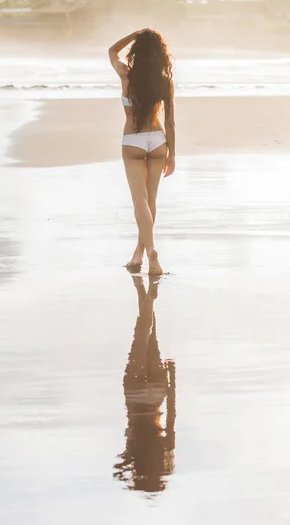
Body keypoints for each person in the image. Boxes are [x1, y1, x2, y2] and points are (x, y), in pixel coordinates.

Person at [108, 29, 176, 275]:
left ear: (137, 51)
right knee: (151, 200)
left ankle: (150, 252)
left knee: (140, 202)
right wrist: (173, 154)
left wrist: (134, 35)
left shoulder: (126, 74)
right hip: (158, 140)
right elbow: (170, 123)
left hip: (134, 141)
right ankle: (139, 253)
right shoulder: (164, 81)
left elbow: (112, 51)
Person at [113, 276, 176, 493]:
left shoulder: (165, 455)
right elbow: (116, 471)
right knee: (142, 334)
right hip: (135, 395)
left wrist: (172, 381)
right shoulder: (134, 451)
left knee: (151, 334)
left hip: (157, 394)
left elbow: (172, 416)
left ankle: (147, 291)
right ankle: (147, 291)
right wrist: (132, 482)